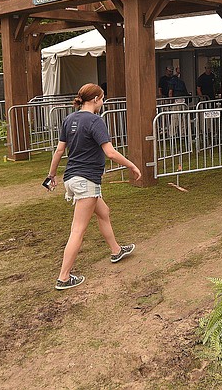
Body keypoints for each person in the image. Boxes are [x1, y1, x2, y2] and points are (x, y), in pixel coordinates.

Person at [45, 83, 142, 290]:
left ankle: (116, 251)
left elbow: (59, 151)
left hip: (72, 179)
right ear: (96, 99)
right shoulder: (96, 121)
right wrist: (132, 165)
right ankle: (63, 277)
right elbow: (111, 153)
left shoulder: (69, 119)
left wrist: (51, 175)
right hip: (86, 180)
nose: (103, 102)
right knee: (77, 230)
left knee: (104, 211)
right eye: (103, 98)